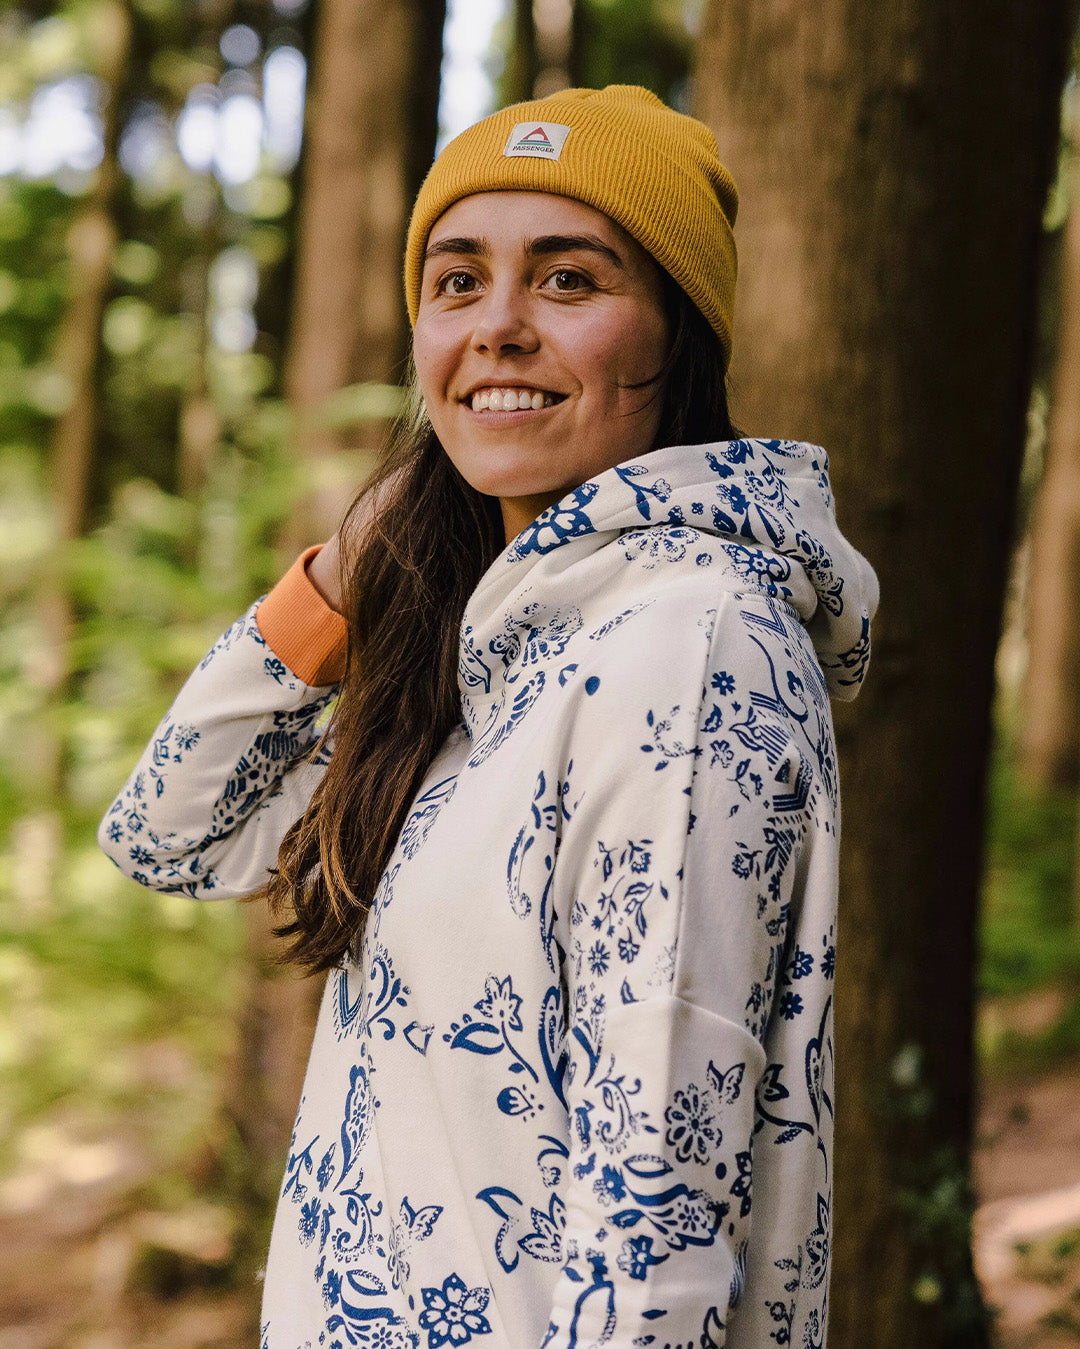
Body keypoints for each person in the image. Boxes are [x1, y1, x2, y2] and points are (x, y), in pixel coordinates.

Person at [99, 85, 879, 1349]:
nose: (500, 326)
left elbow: (657, 1218)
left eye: (568, 279)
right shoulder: (494, 660)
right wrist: (343, 575)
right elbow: (172, 832)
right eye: (458, 282)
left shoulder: (685, 649)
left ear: (678, 333)